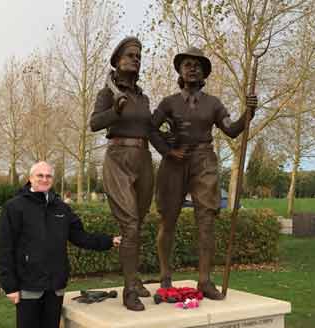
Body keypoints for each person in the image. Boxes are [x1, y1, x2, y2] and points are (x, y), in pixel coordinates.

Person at [0, 161, 120, 328]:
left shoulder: (61, 208)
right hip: (28, 285)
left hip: (55, 285)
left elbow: (80, 237)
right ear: (30, 178)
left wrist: (109, 241)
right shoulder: (15, 207)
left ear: (52, 179)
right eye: (40, 175)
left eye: (48, 176)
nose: (44, 179)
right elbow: (5, 248)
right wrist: (10, 286)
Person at [152, 47, 257, 300]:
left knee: (207, 222)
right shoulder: (168, 102)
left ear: (204, 73)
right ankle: (165, 275)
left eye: (198, 65)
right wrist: (167, 151)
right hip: (174, 162)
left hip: (204, 161)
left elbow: (231, 130)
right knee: (168, 220)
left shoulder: (213, 103)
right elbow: (150, 129)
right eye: (187, 64)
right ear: (179, 70)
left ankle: (205, 280)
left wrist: (248, 114)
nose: (192, 68)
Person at [90, 37, 154, 312]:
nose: (135, 59)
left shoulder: (143, 96)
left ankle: (135, 278)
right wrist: (115, 110)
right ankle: (129, 290)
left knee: (137, 224)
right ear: (117, 60)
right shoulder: (107, 92)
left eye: (139, 55)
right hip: (118, 159)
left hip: (144, 158)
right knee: (129, 225)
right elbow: (94, 123)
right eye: (130, 55)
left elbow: (150, 130)